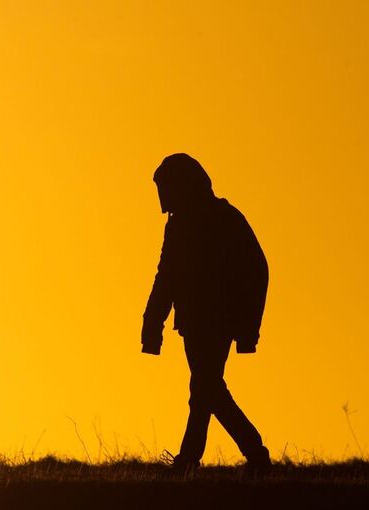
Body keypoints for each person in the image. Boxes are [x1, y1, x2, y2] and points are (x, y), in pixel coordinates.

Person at [141, 153, 271, 475]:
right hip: (193, 324)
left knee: (204, 390)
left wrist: (247, 328)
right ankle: (251, 454)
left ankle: (196, 459)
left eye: (167, 188)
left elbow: (257, 271)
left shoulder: (224, 219)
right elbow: (166, 276)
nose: (164, 198)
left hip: (219, 322)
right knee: (208, 390)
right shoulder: (178, 226)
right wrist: (152, 324)